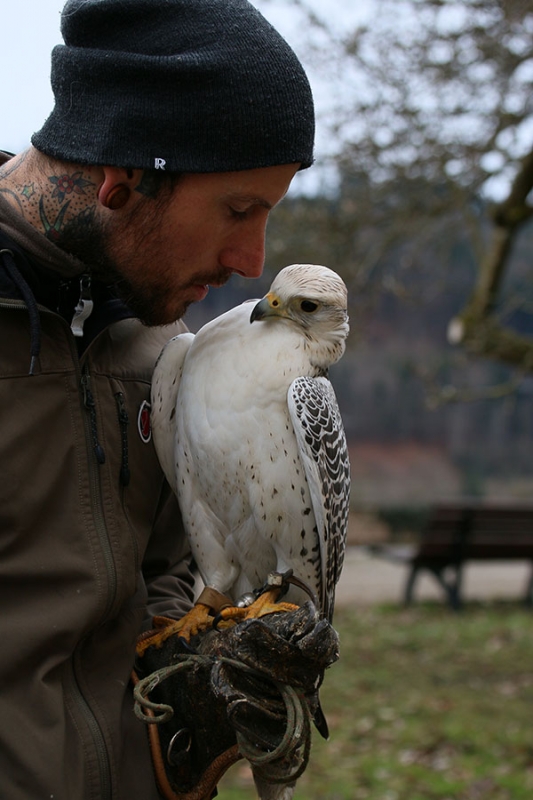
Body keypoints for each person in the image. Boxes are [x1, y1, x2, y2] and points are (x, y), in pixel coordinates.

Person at [0, 0, 315, 798]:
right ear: (123, 178)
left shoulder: (161, 352)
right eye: (238, 210)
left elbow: (165, 577)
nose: (252, 260)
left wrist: (194, 691)